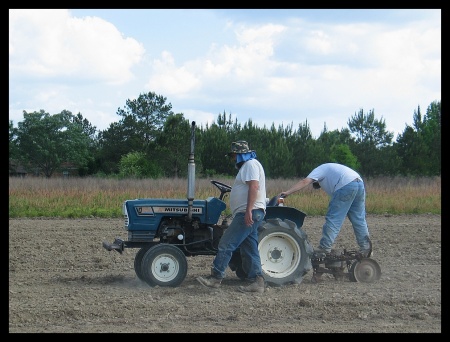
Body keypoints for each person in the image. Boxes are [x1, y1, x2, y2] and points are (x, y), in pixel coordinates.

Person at [196, 140, 267, 293]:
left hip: (249, 213)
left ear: (240, 154)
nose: (232, 159)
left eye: (233, 156)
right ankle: (257, 282)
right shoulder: (248, 166)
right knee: (250, 248)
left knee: (226, 243)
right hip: (250, 212)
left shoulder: (250, 164)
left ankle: (216, 278)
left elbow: (254, 186)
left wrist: (248, 210)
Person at [280, 163, 372, 256]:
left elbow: (305, 181)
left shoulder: (318, 170)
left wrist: (287, 192)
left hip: (345, 184)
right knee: (359, 219)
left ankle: (324, 248)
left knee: (334, 218)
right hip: (359, 183)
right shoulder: (331, 169)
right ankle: (366, 248)